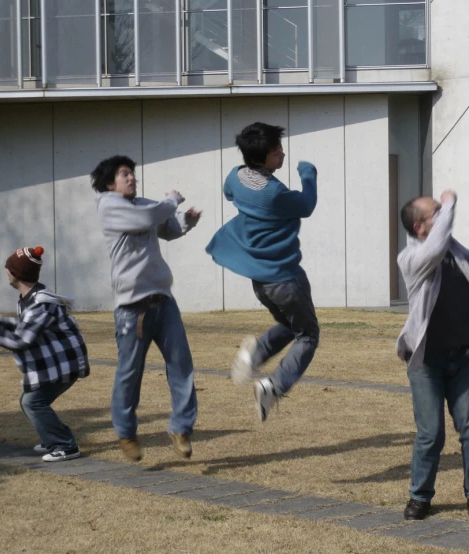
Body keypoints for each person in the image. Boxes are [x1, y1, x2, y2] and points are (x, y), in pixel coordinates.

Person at [206, 122, 319, 422]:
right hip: (286, 276)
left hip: (261, 280)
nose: (282, 154)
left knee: (287, 323)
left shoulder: (237, 176)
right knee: (308, 335)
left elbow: (229, 192)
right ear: (261, 158)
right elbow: (306, 205)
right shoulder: (273, 193)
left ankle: (253, 355)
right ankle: (273, 385)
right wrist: (308, 174)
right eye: (276, 151)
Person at [92, 155, 202, 462]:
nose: (132, 178)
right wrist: (173, 199)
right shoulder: (108, 206)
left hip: (163, 302)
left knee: (181, 365)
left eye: (133, 173)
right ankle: (126, 432)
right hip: (132, 309)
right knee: (130, 373)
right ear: (109, 183)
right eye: (124, 174)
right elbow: (147, 218)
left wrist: (187, 220)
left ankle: (181, 428)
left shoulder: (142, 203)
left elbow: (168, 228)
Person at [396, 190, 469, 520]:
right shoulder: (411, 258)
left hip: (462, 356)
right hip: (426, 361)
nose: (444, 214)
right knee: (430, 433)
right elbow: (435, 251)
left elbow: (466, 268)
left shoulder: (451, 247)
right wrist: (450, 201)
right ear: (420, 227)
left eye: (442, 209)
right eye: (436, 212)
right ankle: (420, 497)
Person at [0, 246, 90, 462]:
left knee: (32, 402)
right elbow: (24, 326)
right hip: (55, 364)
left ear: (18, 274)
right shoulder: (30, 298)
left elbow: (20, 340)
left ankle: (65, 445)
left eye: (8, 269)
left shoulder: (40, 304)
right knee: (29, 400)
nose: (6, 272)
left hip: (65, 365)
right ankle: (51, 439)